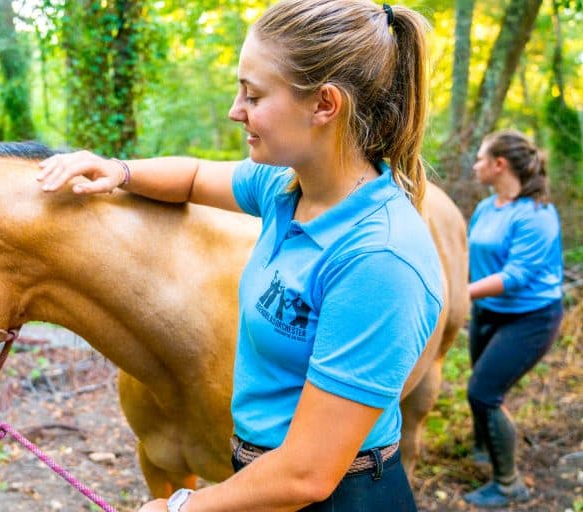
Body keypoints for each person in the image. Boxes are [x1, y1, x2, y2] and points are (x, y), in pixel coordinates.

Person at [38, 1, 441, 510]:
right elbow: (193, 177)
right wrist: (118, 171)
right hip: (261, 482)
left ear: (324, 105)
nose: (235, 109)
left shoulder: (379, 259)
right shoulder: (287, 189)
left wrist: (179, 506)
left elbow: (308, 474)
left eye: (253, 94)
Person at [464, 130, 563, 507]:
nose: (476, 165)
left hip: (531, 318)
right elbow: (474, 258)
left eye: (480, 159)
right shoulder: (487, 208)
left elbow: (516, 276)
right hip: (489, 312)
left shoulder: (537, 215)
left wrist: (461, 293)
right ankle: (484, 450)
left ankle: (509, 485)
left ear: (499, 164)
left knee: (484, 392)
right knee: (480, 385)